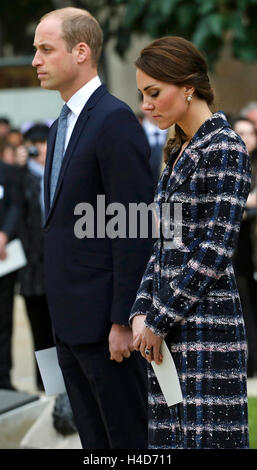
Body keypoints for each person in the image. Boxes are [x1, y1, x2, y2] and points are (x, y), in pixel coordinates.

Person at [32, 7, 154, 449]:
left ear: (81, 51)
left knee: (127, 443)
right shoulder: (58, 127)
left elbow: (134, 226)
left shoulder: (113, 119)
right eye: (35, 51)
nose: (35, 61)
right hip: (68, 325)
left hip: (108, 329)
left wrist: (123, 319)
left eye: (46, 49)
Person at [130, 36, 251, 449]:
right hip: (167, 332)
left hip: (207, 326)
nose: (146, 105)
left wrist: (160, 317)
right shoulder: (178, 150)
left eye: (153, 93)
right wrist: (141, 311)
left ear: (187, 86)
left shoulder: (225, 146)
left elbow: (215, 249)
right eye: (142, 94)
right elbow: (163, 246)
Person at [18, 124, 55, 390]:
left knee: (62, 331)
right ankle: (49, 389)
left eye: (44, 143)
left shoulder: (60, 174)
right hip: (32, 271)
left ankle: (66, 390)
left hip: (60, 267)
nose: (40, 149)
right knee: (41, 333)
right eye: (35, 143)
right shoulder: (19, 178)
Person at [232, 116, 257, 377]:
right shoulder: (232, 163)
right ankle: (249, 364)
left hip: (251, 251)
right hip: (236, 254)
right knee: (245, 307)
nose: (245, 138)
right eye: (240, 132)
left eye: (249, 133)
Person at [0, 159, 23, 390]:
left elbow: (16, 206)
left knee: (3, 322)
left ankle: (3, 378)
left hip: (4, 261)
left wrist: (4, 234)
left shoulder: (8, 172)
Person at [139, 98, 168, 188]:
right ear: (142, 105)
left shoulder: (177, 133)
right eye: (149, 103)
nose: (154, 107)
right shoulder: (133, 134)